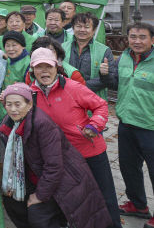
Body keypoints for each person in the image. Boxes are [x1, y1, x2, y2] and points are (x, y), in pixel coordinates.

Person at [27, 48, 121, 228]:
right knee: (75, 200)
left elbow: (101, 105)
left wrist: (95, 125)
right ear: (32, 70)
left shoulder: (72, 87)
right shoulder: (31, 94)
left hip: (88, 151)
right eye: (39, 67)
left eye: (48, 66)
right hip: (61, 157)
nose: (44, 71)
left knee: (103, 195)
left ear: (57, 67)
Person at [0, 83, 112, 228]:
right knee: (12, 204)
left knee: (38, 216)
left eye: (18, 104)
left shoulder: (42, 124)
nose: (13, 109)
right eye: (9, 104)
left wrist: (39, 196)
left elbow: (54, 167)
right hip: (33, 177)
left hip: (62, 181)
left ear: (29, 104)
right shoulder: (11, 123)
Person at [111, 22, 154, 224]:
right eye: (133, 37)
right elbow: (116, 82)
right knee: (128, 167)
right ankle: (139, 205)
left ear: (152, 40)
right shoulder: (124, 58)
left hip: (151, 127)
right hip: (126, 123)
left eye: (142, 37)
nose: (137, 41)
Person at [63, 12, 116, 99]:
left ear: (94, 30)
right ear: (73, 28)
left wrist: (105, 74)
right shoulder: (62, 47)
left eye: (87, 27)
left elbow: (109, 80)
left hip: (93, 100)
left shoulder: (104, 50)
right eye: (79, 26)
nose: (82, 30)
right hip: (67, 98)